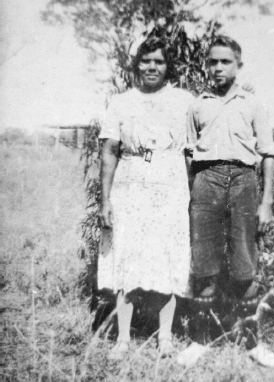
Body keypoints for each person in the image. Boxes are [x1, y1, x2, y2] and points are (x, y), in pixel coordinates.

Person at [97, 36, 194, 359]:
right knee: (126, 258)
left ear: (168, 67)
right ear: (136, 64)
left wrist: (194, 197)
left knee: (168, 258)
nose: (152, 67)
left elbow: (193, 153)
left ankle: (165, 337)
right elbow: (109, 150)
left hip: (170, 185)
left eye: (160, 61)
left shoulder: (183, 101)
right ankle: (123, 338)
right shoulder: (120, 102)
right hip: (130, 183)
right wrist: (105, 199)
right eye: (146, 61)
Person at [186, 35, 274, 300]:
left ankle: (246, 339)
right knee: (204, 265)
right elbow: (189, 153)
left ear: (238, 64)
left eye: (225, 61)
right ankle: (201, 339)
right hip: (206, 179)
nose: (218, 67)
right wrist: (192, 194)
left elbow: (268, 153)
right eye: (213, 61)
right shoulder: (197, 104)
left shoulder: (252, 103)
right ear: (206, 64)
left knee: (244, 263)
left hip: (243, 180)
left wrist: (267, 203)